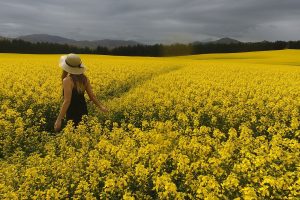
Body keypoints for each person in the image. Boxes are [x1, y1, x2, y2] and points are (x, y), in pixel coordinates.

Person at [54, 53, 108, 132]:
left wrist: (59, 119)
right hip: (83, 110)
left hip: (72, 111)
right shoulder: (84, 79)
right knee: (83, 131)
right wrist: (101, 107)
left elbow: (67, 101)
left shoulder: (67, 80)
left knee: (73, 132)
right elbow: (92, 96)